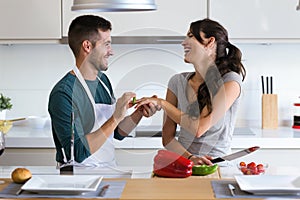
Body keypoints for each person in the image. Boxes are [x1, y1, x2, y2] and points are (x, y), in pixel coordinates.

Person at [48, 15, 158, 167]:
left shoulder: (103, 81)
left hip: (109, 172)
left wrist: (139, 112)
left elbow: (116, 133)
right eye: (106, 44)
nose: (111, 51)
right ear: (87, 46)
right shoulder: (63, 94)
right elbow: (78, 153)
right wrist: (116, 117)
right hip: (76, 180)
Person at [136, 18, 246, 165]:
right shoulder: (177, 81)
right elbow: (167, 138)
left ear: (209, 42)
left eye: (190, 36)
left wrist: (162, 103)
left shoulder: (230, 81)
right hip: (183, 163)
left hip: (216, 165)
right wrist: (190, 158)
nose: (183, 42)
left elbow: (199, 128)